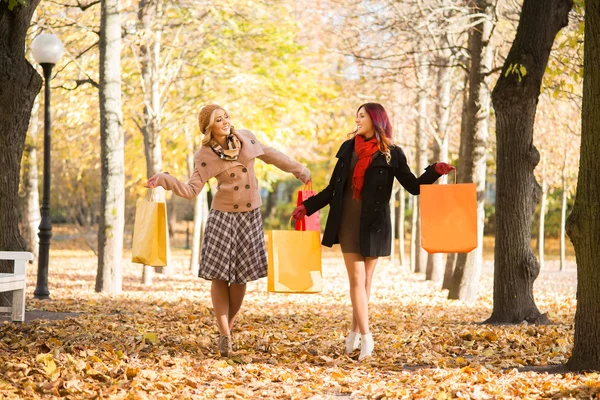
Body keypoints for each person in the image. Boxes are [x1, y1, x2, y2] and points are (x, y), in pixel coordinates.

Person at [146, 104, 310, 357]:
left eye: (226, 117)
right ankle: (225, 335)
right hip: (223, 217)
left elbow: (271, 154)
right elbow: (191, 190)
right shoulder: (204, 155)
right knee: (220, 277)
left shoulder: (245, 138)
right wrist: (164, 179)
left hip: (249, 215)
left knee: (240, 277)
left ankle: (227, 331)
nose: (225, 122)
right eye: (218, 119)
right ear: (208, 127)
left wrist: (299, 169)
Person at [292, 103, 453, 361]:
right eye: (356, 115)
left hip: (375, 223)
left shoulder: (392, 154)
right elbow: (333, 189)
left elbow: (413, 186)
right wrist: (307, 207)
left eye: (362, 115)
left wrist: (434, 171)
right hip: (347, 221)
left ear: (375, 120)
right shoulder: (348, 149)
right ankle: (367, 338)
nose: (357, 119)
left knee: (366, 282)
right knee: (356, 280)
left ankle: (354, 332)